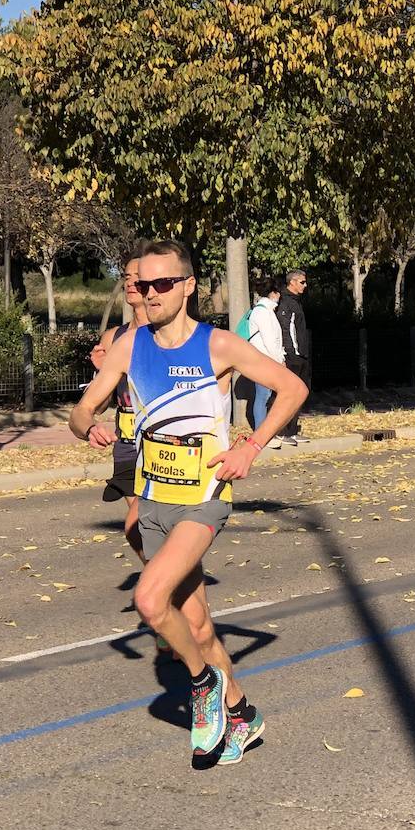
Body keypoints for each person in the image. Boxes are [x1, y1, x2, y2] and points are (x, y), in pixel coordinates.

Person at [70, 240, 307, 766]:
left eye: (162, 285)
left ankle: (202, 686)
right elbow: (82, 408)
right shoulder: (130, 346)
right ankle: (242, 715)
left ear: (187, 286)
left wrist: (250, 446)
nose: (150, 294)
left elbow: (291, 388)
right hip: (153, 496)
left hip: (205, 496)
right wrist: (88, 427)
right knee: (195, 626)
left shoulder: (218, 345)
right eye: (142, 285)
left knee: (152, 601)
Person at [89, 252, 149, 557]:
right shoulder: (114, 337)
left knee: (139, 524)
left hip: (162, 443)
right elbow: (98, 406)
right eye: (126, 276)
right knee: (141, 533)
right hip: (126, 442)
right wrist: (103, 373)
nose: (131, 283)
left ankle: (164, 587)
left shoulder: (171, 335)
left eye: (138, 277)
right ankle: (169, 586)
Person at [275, 268, 312, 445]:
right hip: (293, 357)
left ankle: (292, 430)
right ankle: (283, 431)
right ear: (292, 282)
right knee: (288, 394)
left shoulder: (296, 302)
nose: (305, 285)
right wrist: (292, 352)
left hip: (301, 355)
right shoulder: (286, 302)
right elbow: (286, 330)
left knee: (300, 394)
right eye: (302, 282)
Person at [247, 276, 284, 448]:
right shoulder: (263, 312)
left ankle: (265, 432)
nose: (280, 296)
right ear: (273, 293)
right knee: (263, 397)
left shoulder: (265, 310)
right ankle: (261, 435)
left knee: (266, 396)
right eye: (278, 292)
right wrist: (279, 361)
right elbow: (270, 341)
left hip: (266, 360)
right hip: (264, 361)